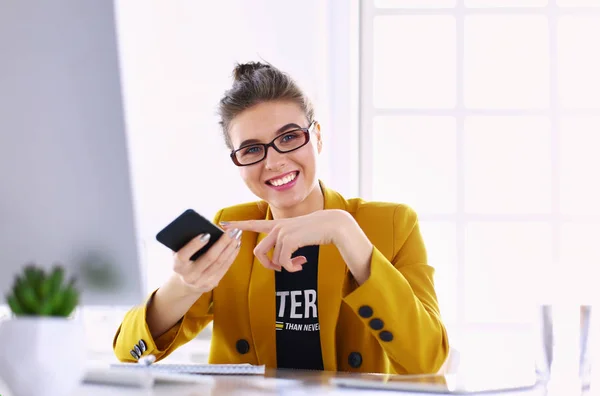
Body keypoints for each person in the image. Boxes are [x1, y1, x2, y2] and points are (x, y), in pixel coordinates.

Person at [112, 61, 449, 374]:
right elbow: (128, 354)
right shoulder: (232, 231)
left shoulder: (390, 224)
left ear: (316, 136)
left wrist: (344, 232)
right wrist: (183, 286)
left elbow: (427, 360)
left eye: (289, 137)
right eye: (252, 149)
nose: (273, 162)